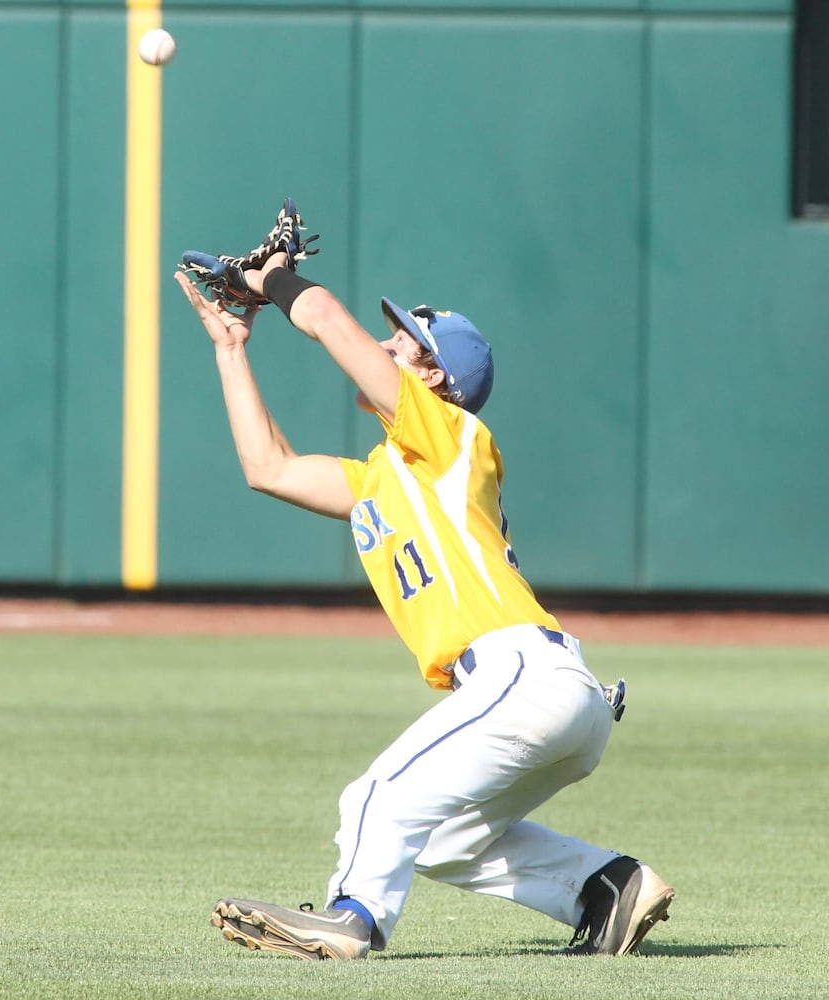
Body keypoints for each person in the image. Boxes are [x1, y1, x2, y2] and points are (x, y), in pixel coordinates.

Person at [173, 207, 674, 961]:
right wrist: (230, 348)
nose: (382, 346)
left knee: (373, 799)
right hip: (542, 694)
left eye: (400, 344)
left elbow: (332, 326)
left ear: (434, 376)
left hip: (521, 675)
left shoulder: (449, 434)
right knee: (435, 839)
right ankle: (606, 889)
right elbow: (267, 468)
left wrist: (273, 277)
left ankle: (354, 919)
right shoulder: (388, 475)